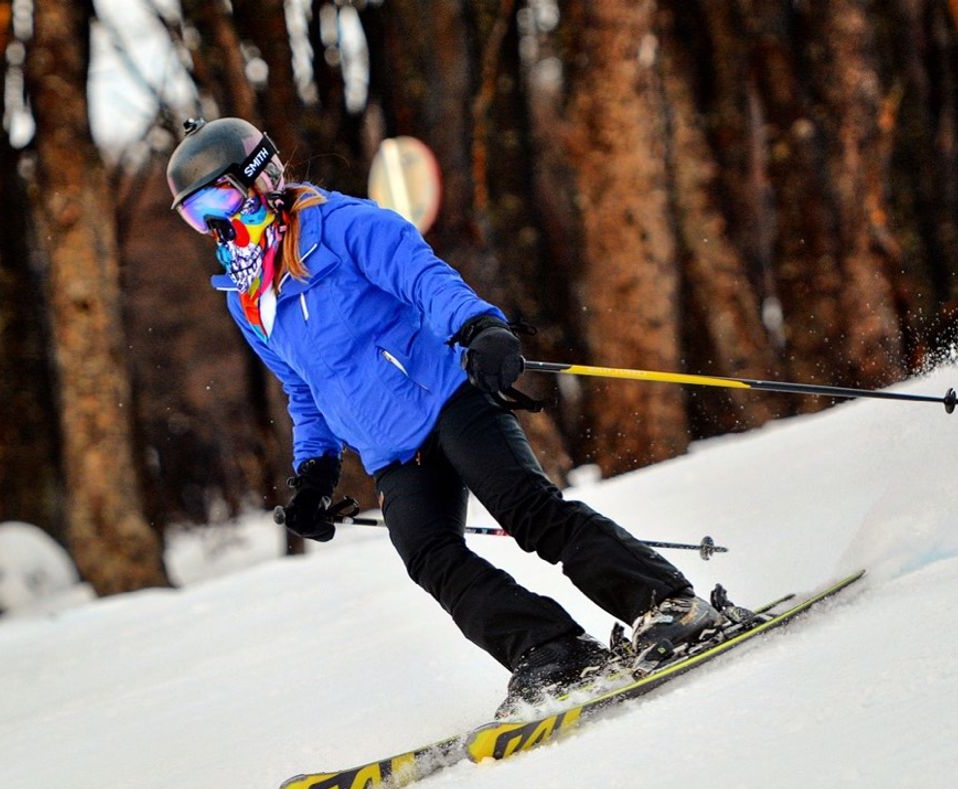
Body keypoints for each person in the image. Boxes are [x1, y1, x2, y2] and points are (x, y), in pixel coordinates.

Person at [167, 116, 723, 717]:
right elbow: (303, 389)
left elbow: (425, 279)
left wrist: (478, 326)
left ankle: (669, 605)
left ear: (261, 178)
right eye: (198, 214)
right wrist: (315, 473)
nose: (216, 224)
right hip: (391, 450)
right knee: (429, 556)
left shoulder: (346, 225)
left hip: (447, 397)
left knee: (528, 512)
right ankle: (550, 650)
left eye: (220, 199)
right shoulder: (251, 298)